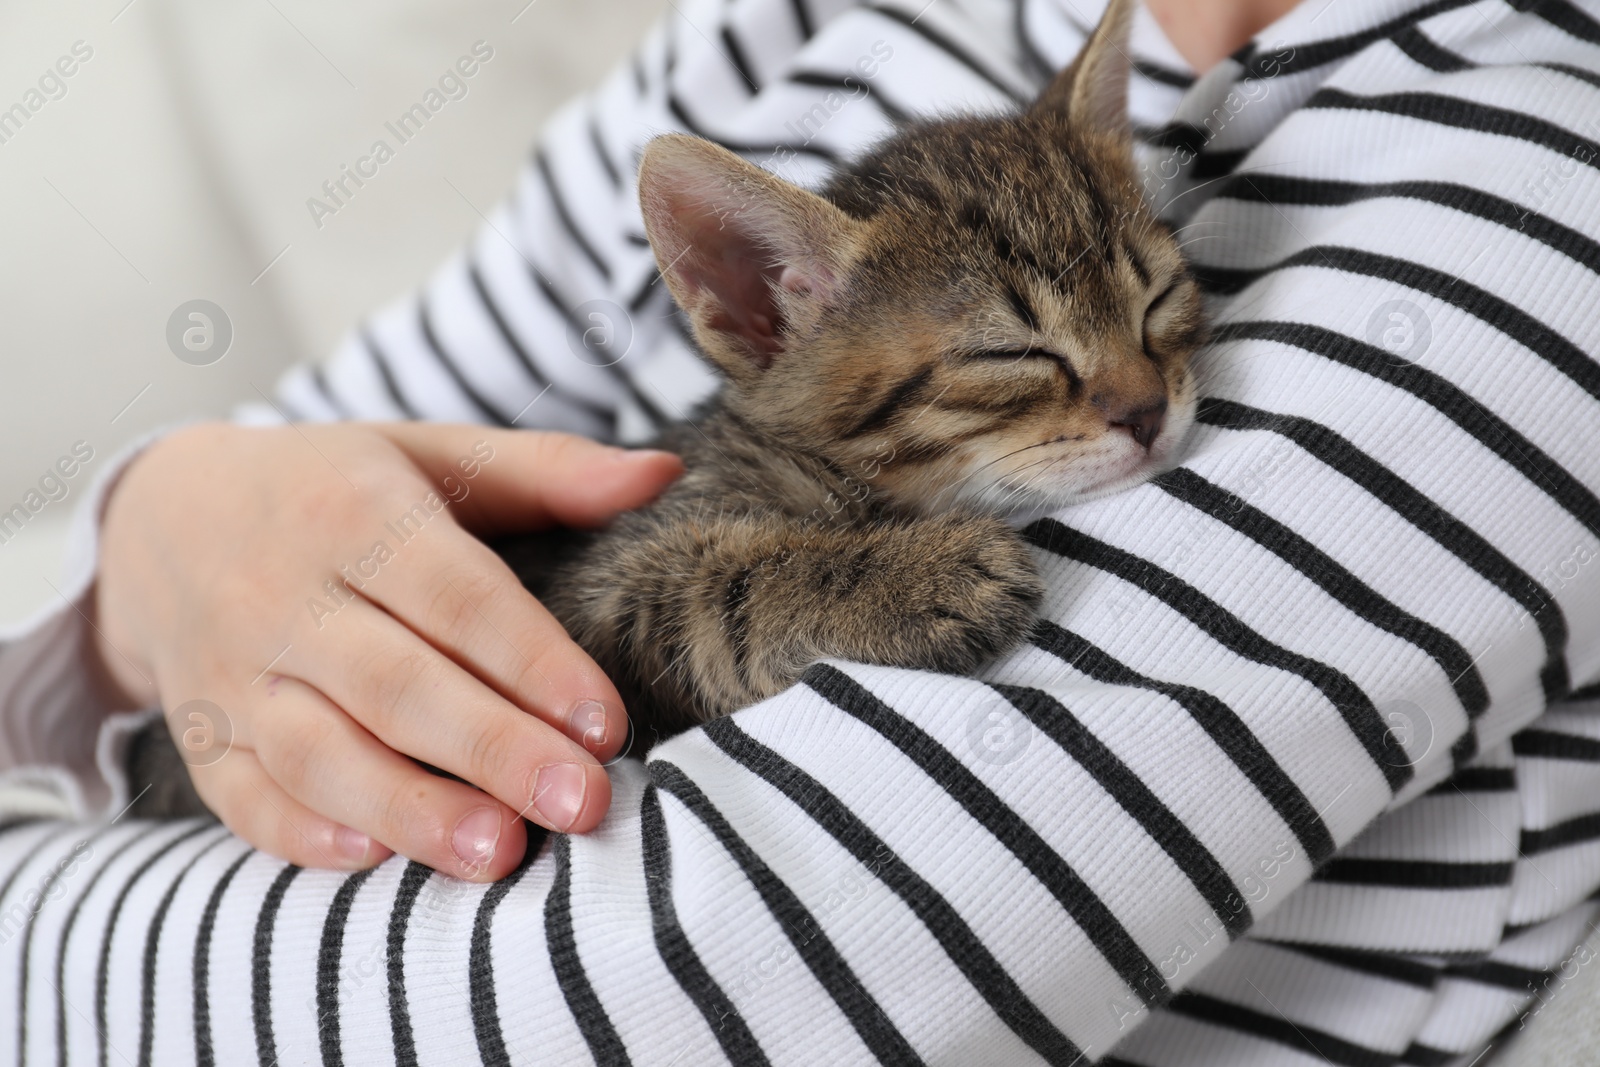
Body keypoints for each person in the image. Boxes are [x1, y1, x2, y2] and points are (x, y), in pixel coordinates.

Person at [2, 0, 1598, 1063]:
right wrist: (154, 529)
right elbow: (312, 476)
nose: (1138, 404)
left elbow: (620, 1015)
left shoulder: (1534, 204)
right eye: (1017, 367)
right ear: (759, 307)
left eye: (1166, 311)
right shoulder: (814, 40)